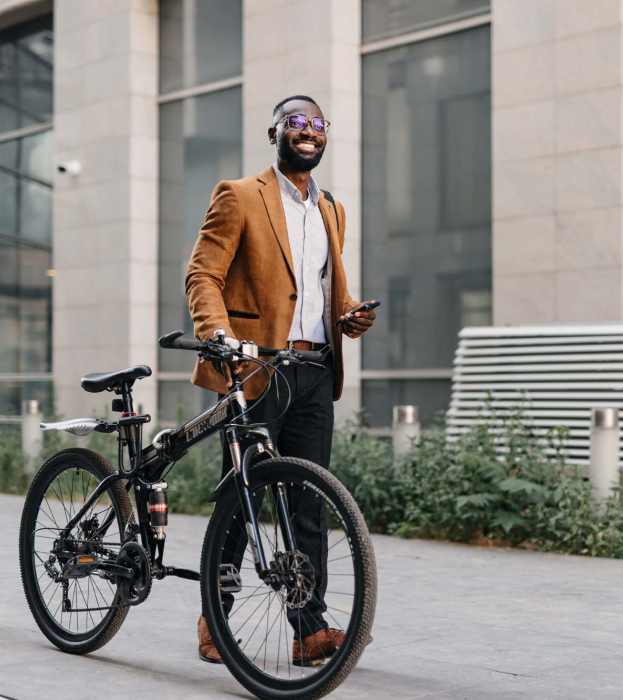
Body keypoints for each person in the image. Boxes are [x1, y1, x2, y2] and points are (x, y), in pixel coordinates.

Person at [185, 95, 376, 665]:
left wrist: (348, 312)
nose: (309, 132)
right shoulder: (239, 195)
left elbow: (318, 288)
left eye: (318, 125)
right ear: (276, 132)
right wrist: (217, 333)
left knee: (309, 501)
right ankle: (215, 619)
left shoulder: (332, 209)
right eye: (297, 123)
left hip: (315, 369)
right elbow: (203, 273)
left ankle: (308, 626)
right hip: (256, 366)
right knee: (241, 499)